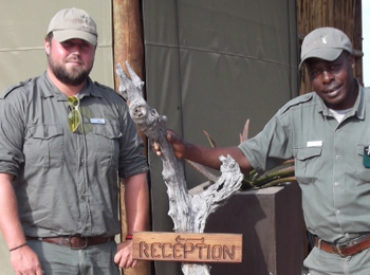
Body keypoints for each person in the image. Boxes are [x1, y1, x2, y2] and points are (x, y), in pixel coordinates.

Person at [155, 27, 370, 274]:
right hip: (324, 262)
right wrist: (187, 150)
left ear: (351, 62)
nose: (326, 78)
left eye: (333, 67)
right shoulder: (296, 116)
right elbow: (246, 156)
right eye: (316, 72)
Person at [0, 7, 149, 275]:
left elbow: (136, 174)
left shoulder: (114, 107)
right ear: (48, 45)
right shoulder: (19, 103)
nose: (76, 51)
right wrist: (17, 247)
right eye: (68, 43)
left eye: (84, 44)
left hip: (103, 258)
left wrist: (134, 238)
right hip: (43, 257)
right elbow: (1, 177)